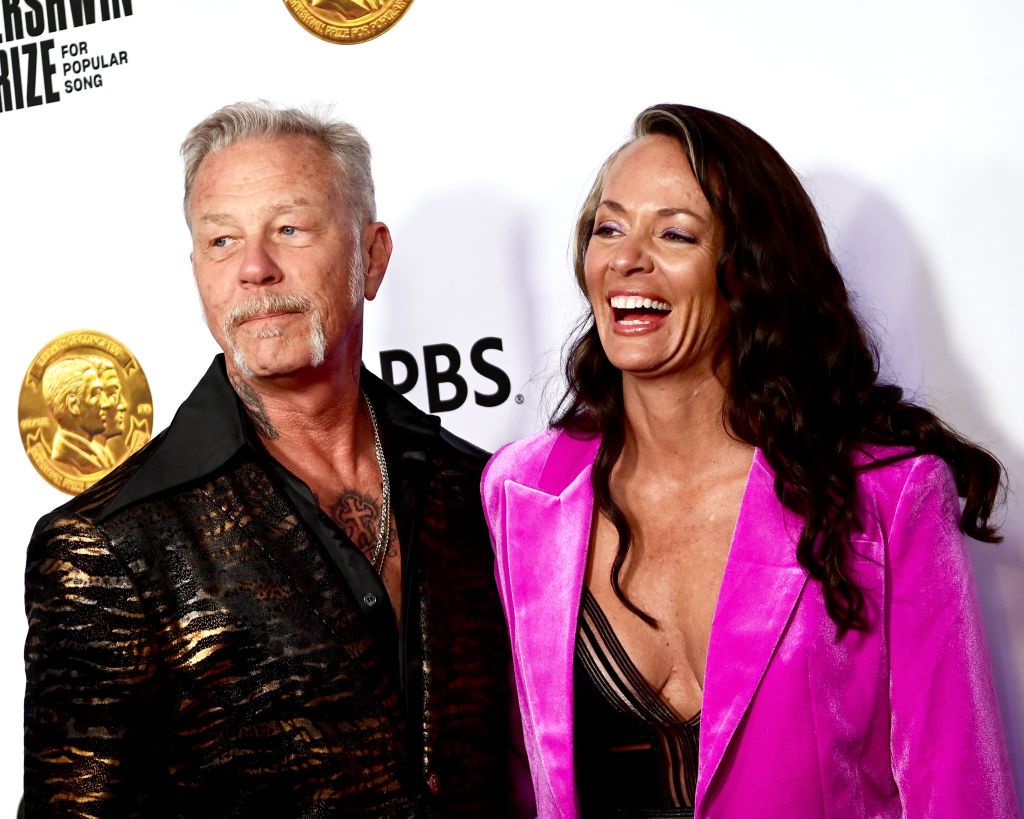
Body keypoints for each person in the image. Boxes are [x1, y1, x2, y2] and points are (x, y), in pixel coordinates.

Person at [481, 104, 1020, 818]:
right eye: (609, 228)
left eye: (675, 233)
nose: (626, 259)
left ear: (748, 271)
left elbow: (957, 789)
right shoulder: (522, 491)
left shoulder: (888, 496)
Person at [25, 101, 525, 817]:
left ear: (372, 256)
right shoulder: (110, 544)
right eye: (222, 240)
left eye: (290, 229)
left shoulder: (478, 490)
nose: (254, 268)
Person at [41, 354, 119, 475]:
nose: (105, 403)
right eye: (96, 394)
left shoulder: (101, 452)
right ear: (73, 405)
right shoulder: (64, 457)